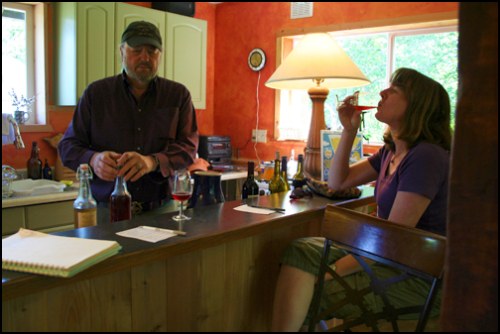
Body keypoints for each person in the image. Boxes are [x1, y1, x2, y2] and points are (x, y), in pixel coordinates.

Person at [271, 68, 451, 331]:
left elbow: (392, 238)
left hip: (417, 277)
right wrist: (349, 130)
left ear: (416, 107)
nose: (382, 92)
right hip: (390, 258)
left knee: (307, 289)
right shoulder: (392, 151)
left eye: (394, 91)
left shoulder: (426, 156)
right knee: (301, 251)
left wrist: (335, 273)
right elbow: (338, 182)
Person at [59, 21, 199, 224]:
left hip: (163, 210)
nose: (145, 57)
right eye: (136, 49)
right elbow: (67, 146)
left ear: (160, 54)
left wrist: (152, 161)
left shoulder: (178, 96)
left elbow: (189, 148)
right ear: (121, 51)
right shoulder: (96, 94)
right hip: (107, 212)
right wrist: (93, 159)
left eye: (152, 50)